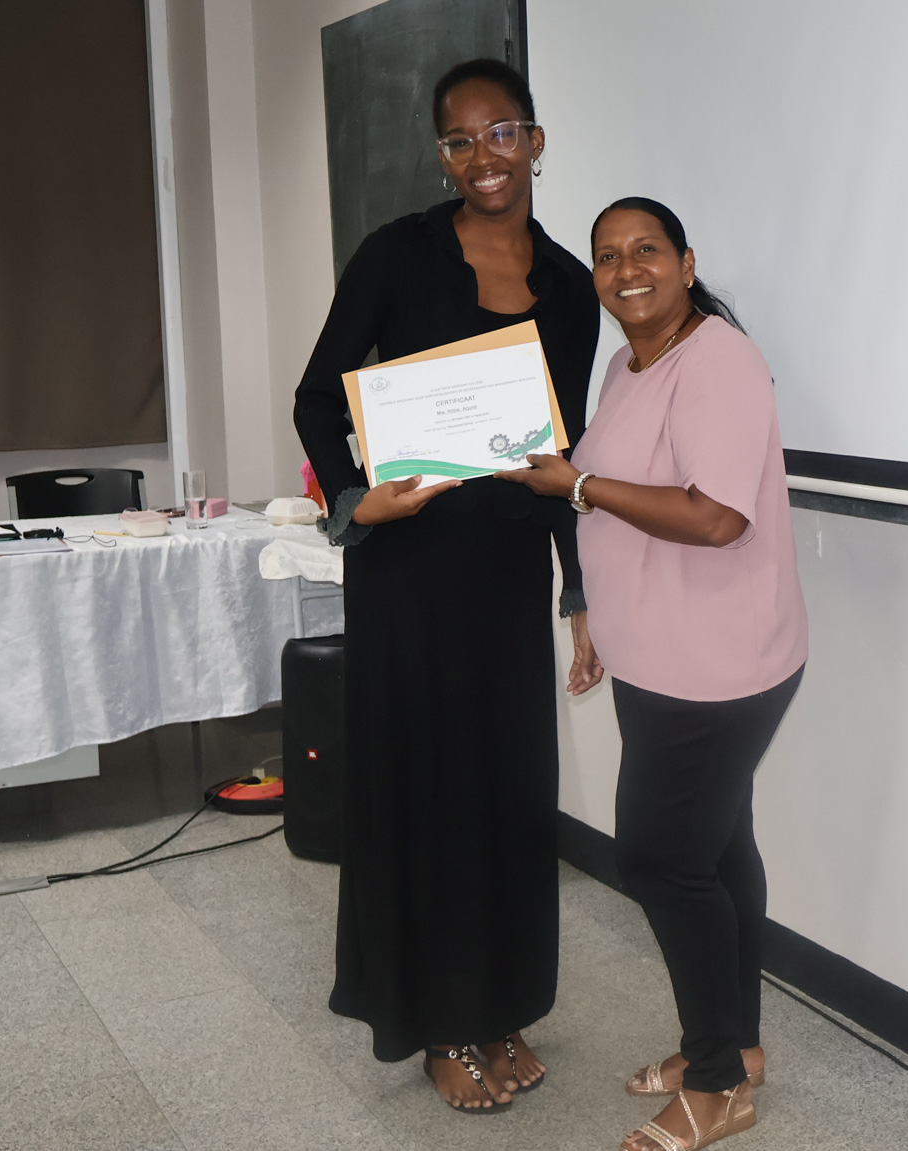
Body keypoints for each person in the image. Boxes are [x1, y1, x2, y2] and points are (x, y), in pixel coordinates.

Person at [290, 58, 602, 1113]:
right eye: (459, 141)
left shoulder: (571, 287)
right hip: (408, 574)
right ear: (442, 156)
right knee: (426, 793)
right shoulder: (397, 254)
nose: (483, 157)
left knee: (506, 790)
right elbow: (315, 398)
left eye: (501, 133)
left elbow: (562, 452)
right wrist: (355, 501)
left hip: (505, 573)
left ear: (534, 142)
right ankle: (434, 1022)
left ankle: (500, 1004)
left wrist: (575, 590)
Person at [498, 197, 807, 1151]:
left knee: (659, 859)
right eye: (607, 256)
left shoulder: (720, 360)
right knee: (716, 849)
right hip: (655, 654)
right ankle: (736, 1046)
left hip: (717, 665)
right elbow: (617, 502)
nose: (626, 269)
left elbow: (716, 516)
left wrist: (578, 485)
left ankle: (717, 1087)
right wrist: (593, 609)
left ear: (686, 262)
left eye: (647, 250)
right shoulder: (624, 365)